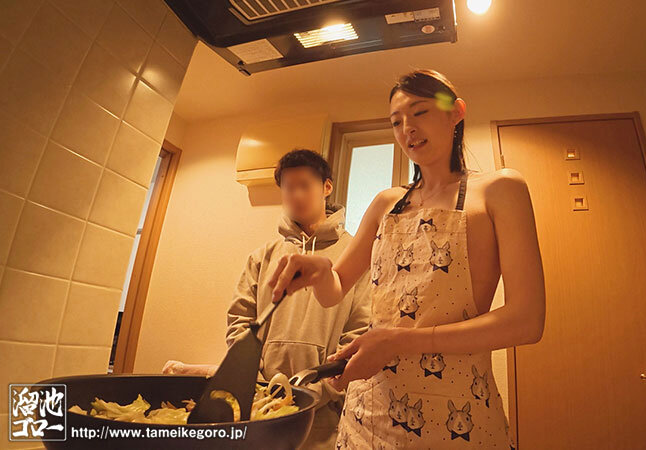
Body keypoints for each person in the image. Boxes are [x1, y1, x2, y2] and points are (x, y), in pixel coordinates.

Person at [267, 70, 546, 448]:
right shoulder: (386, 202)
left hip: (458, 413)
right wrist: (320, 271)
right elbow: (335, 289)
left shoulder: (499, 190)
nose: (407, 129)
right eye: (396, 121)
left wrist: (397, 342)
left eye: (420, 112)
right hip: (368, 413)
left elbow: (526, 321)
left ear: (456, 112)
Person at [162, 149, 371, 449]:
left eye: (304, 185)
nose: (296, 195)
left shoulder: (354, 254)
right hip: (259, 409)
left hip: (326, 416)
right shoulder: (263, 257)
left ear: (326, 187)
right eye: (288, 187)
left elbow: (360, 331)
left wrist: (316, 391)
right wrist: (256, 382)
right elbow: (240, 321)